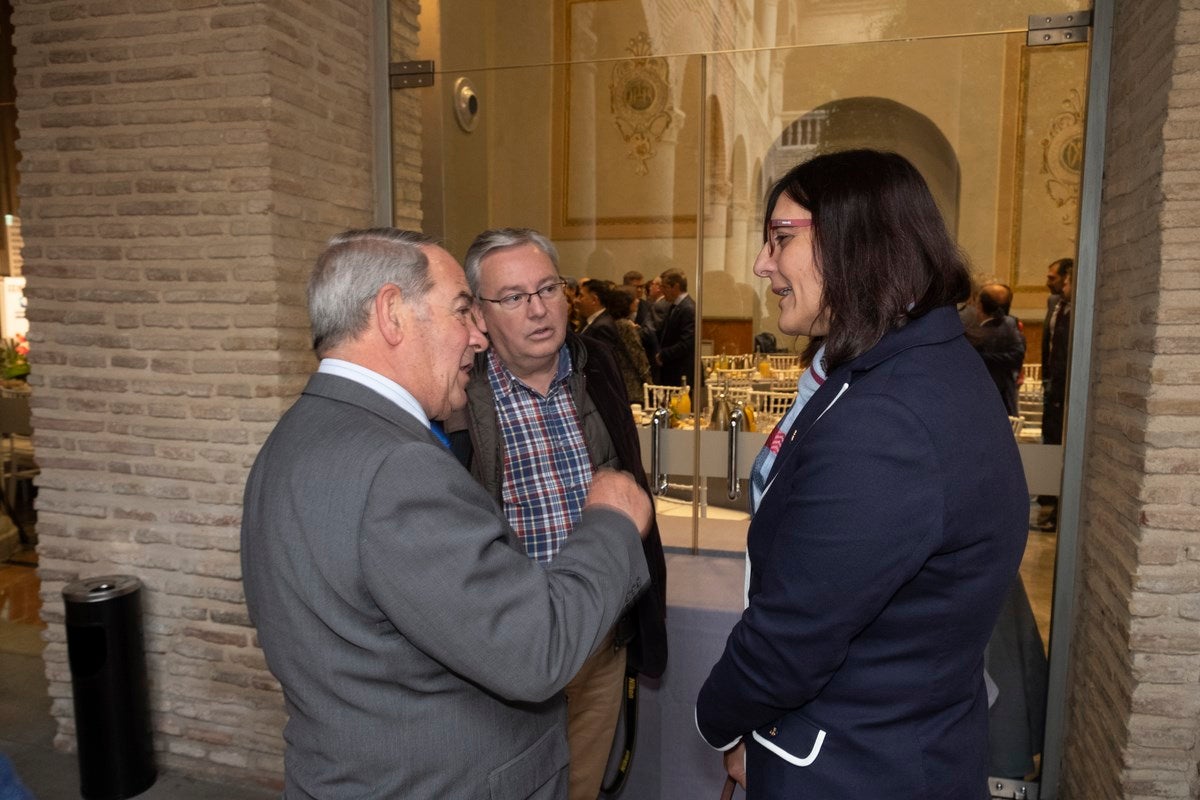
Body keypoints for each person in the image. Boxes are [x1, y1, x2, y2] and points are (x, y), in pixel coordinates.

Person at [241, 228, 653, 800]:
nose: (478, 337)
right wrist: (610, 520)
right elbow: (536, 650)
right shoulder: (401, 467)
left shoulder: (291, 438)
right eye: (463, 310)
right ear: (392, 314)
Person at [694, 151, 1029, 799]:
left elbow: (794, 635)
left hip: (855, 767)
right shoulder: (924, 359)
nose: (762, 264)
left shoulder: (886, 418)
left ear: (855, 241)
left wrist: (719, 720)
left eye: (781, 238)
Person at [446, 227, 668, 800]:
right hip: (510, 661)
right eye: (514, 297)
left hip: (599, 644)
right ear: (479, 313)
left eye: (548, 288)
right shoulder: (457, 394)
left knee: (581, 787)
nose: (539, 309)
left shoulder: (597, 368)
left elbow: (629, 484)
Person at [1038, 257, 1073, 531]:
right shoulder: (1054, 304)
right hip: (1052, 385)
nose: (1048, 282)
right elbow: (1048, 345)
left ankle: (1059, 508)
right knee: (1048, 436)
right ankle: (1047, 496)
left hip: (1066, 389)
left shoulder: (1076, 310)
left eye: (1053, 277)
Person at [966, 282, 1026, 416]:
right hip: (1005, 396)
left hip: (984, 399)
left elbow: (1016, 356)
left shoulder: (976, 332)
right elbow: (1017, 355)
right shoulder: (1011, 324)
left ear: (979, 305)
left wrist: (979, 357)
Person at [606, 284, 654, 402]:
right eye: (634, 299)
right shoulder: (626, 325)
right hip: (632, 384)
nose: (638, 301)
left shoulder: (611, 321)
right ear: (625, 303)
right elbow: (638, 356)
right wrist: (649, 382)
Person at [655, 267, 696, 392]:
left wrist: (663, 355)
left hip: (681, 371)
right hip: (673, 370)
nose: (661, 291)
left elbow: (686, 343)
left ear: (676, 287)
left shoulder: (687, 308)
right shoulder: (676, 306)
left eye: (665, 287)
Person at [577, 278, 623, 354]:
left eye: (581, 296)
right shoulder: (590, 322)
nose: (577, 300)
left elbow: (604, 358)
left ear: (594, 300)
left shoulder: (603, 327)